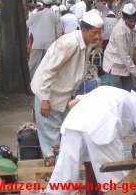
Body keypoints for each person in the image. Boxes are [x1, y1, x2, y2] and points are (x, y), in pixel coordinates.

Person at [47, 86, 136, 193]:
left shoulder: (111, 91)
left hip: (73, 122)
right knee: (115, 181)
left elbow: (72, 104)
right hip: (101, 125)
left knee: (64, 174)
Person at [30, 10, 104, 158]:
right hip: (48, 95)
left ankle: (62, 169)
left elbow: (73, 72)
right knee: (51, 140)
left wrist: (71, 95)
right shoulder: (69, 43)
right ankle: (53, 173)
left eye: (99, 33)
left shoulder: (85, 43)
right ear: (84, 30)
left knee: (65, 134)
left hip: (62, 96)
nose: (97, 37)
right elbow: (48, 70)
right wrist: (44, 99)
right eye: (94, 33)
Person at [103, 3, 136, 91]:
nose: (132, 23)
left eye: (134, 21)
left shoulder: (132, 27)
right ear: (123, 18)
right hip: (114, 66)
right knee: (118, 96)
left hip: (125, 65)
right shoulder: (120, 32)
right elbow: (125, 56)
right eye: (130, 21)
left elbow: (134, 50)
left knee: (129, 92)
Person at [26, 0, 63, 78]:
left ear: (43, 5)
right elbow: (59, 33)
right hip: (50, 43)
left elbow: (26, 25)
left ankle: (31, 80)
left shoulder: (35, 15)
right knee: (50, 62)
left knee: (33, 63)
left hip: (37, 43)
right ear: (51, 5)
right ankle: (47, 78)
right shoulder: (55, 16)